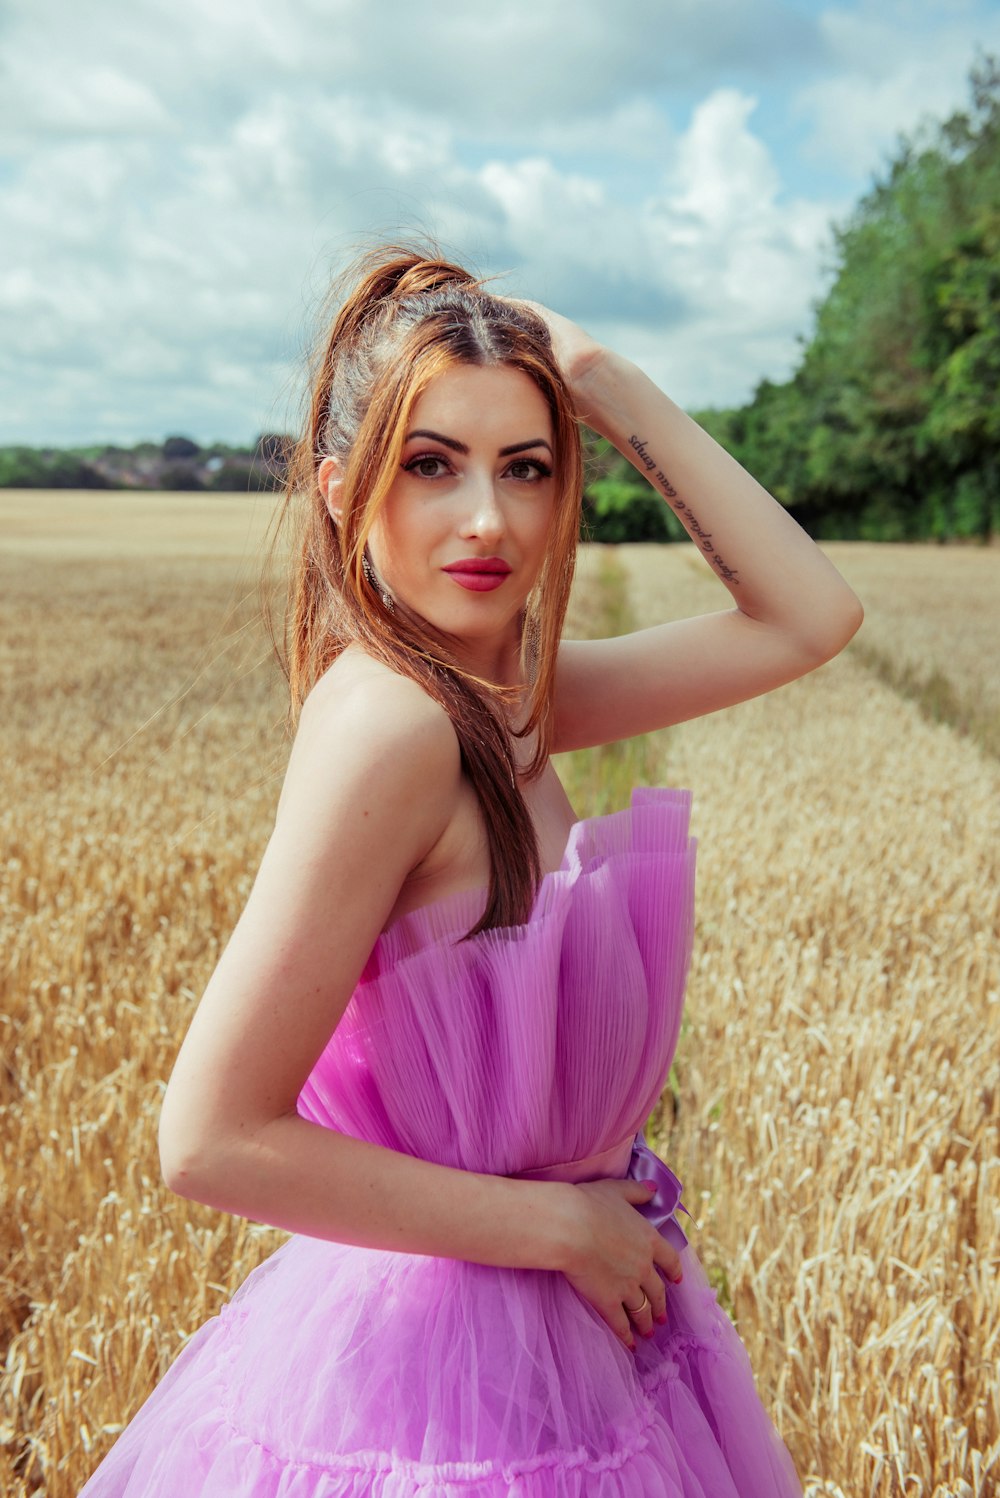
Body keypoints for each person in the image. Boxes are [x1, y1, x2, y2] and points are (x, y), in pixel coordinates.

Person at [79, 245, 863, 1496]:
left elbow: (806, 616)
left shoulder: (507, 703)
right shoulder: (394, 728)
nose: (487, 519)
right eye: (431, 465)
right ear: (342, 491)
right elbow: (210, 1136)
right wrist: (557, 1228)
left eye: (527, 467)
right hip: (450, 1387)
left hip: (562, 1334)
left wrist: (598, 375)